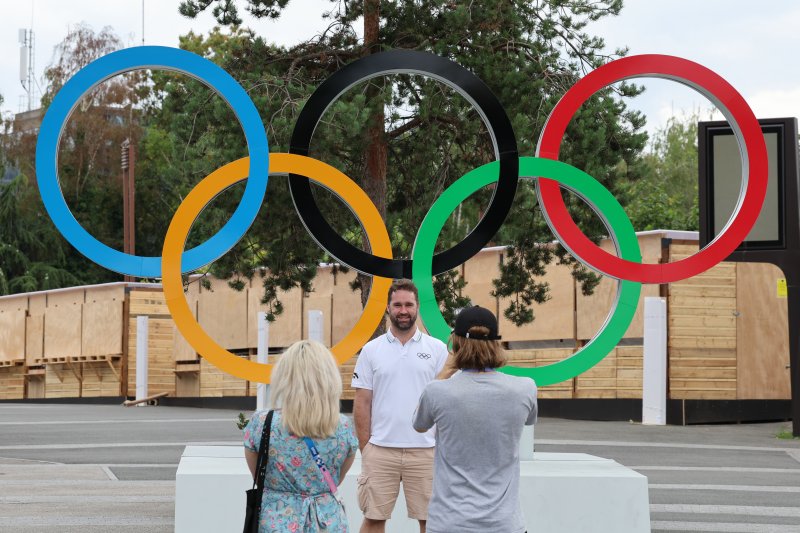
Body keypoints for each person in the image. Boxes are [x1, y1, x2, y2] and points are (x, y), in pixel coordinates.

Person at [413, 305, 538, 533]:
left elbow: (419, 424)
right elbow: (528, 420)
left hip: (450, 523)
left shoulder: (438, 391)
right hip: (504, 524)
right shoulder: (525, 388)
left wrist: (443, 373)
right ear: (496, 342)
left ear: (456, 344)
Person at [351, 279, 448, 533]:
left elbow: (445, 400)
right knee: (373, 519)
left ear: (417, 307)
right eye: (397, 305)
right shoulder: (371, 350)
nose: (403, 310)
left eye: (408, 304)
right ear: (388, 307)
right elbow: (362, 401)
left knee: (432, 522)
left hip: (427, 452)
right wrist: (366, 448)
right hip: (381, 451)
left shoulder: (437, 349)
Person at [243, 340, 358, 532]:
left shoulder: (263, 423)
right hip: (327, 522)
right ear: (329, 378)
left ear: (285, 376)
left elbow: (258, 474)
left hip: (277, 522)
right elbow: (336, 478)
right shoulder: (343, 426)